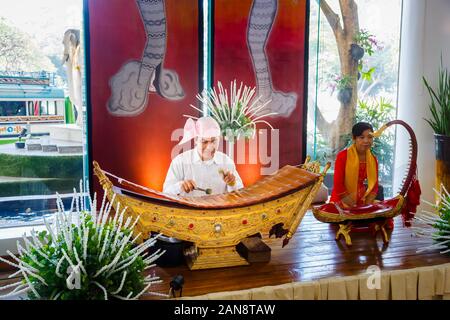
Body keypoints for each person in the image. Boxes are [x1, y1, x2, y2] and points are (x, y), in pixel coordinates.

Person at [163, 117, 243, 196]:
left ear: (219, 139)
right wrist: (180, 186)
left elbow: (240, 194)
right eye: (204, 141)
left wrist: (232, 184)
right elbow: (166, 193)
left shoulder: (227, 162)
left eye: (213, 141)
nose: (209, 147)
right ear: (196, 140)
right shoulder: (180, 161)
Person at [330, 122, 379, 208]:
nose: (366, 141)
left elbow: (374, 185)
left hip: (361, 198)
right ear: (354, 138)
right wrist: (353, 206)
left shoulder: (373, 159)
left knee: (383, 215)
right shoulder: (343, 156)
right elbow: (338, 185)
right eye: (362, 137)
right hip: (342, 199)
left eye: (370, 137)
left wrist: (367, 205)